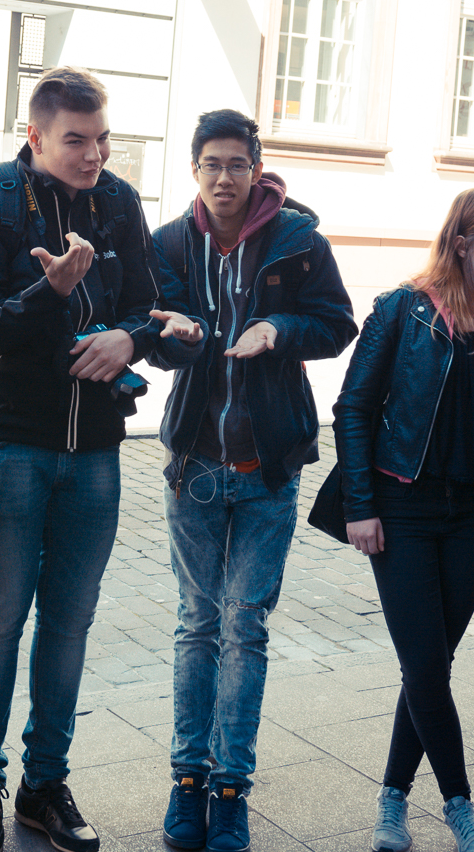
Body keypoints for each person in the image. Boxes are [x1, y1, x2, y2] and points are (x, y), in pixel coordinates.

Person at [0, 65, 201, 852]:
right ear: (34, 135)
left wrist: (133, 336)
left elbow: (147, 309)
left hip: (95, 447)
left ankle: (43, 783)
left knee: (70, 619)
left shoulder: (119, 200)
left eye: (102, 139)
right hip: (11, 442)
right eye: (76, 141)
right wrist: (53, 290)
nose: (94, 155)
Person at [150, 109, 356, 852]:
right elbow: (155, 337)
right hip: (194, 465)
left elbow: (337, 323)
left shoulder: (299, 241)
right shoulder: (170, 242)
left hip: (269, 467)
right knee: (197, 624)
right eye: (211, 163)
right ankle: (187, 779)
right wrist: (175, 337)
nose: (224, 177)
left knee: (245, 626)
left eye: (237, 163)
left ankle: (230, 787)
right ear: (195, 170)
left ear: (257, 169)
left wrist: (279, 332)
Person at [333, 188, 474, 852]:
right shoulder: (403, 309)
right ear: (462, 241)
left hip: (470, 515)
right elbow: (353, 407)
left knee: (430, 667)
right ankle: (459, 806)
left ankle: (392, 797)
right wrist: (360, 505)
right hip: (404, 509)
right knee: (424, 665)